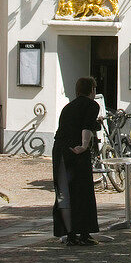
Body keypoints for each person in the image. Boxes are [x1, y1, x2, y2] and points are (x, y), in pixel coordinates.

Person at [52, 76, 101, 246]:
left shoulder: (68, 107)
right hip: (76, 151)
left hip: (60, 150)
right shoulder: (92, 105)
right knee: (83, 192)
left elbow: (72, 124)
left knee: (65, 191)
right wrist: (84, 146)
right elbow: (85, 126)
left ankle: (70, 234)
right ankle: (85, 233)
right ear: (92, 90)